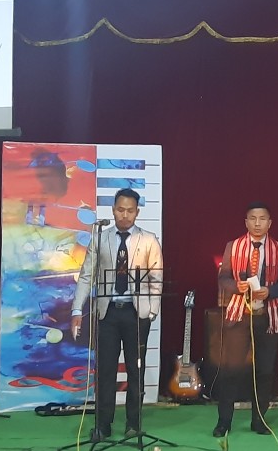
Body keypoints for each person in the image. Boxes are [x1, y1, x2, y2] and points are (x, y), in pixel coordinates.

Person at [71, 188, 163, 441]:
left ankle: (133, 423)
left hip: (136, 315)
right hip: (107, 313)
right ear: (113, 210)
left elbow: (156, 279)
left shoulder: (149, 240)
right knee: (106, 371)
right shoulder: (100, 238)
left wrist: (151, 312)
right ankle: (103, 425)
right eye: (120, 210)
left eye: (130, 210)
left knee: (136, 370)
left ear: (137, 212)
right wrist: (77, 309)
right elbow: (86, 275)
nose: (125, 215)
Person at [211, 202, 278, 437]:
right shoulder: (233, 247)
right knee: (231, 370)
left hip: (267, 316)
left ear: (270, 223)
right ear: (246, 222)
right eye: (253, 219)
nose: (257, 224)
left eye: (262, 219)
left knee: (265, 371)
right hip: (239, 315)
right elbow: (223, 278)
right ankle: (224, 422)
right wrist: (236, 287)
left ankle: (259, 420)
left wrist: (271, 291)